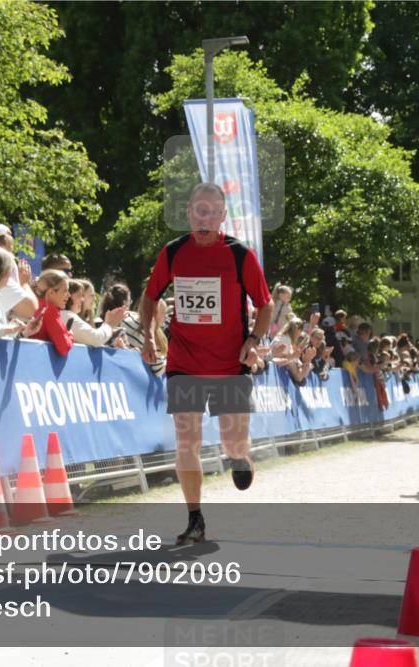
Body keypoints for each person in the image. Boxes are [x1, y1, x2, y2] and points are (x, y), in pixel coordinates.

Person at [139, 182, 273, 545]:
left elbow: (266, 305)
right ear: (189, 213)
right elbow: (150, 298)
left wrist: (253, 340)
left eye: (213, 212)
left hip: (231, 365)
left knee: (232, 443)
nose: (206, 218)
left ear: (223, 216)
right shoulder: (173, 252)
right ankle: (194, 518)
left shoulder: (239, 254)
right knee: (187, 441)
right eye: (200, 210)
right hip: (185, 362)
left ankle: (240, 457)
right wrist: (149, 335)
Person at [61, 278, 126, 347]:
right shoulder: (67, 315)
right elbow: (95, 339)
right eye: (79, 295)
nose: (82, 299)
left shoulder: (66, 315)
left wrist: (112, 346)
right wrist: (109, 325)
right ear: (68, 295)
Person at [28, 268, 74, 356]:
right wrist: (70, 335)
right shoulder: (49, 310)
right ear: (51, 292)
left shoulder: (35, 303)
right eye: (65, 291)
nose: (68, 295)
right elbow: (64, 347)